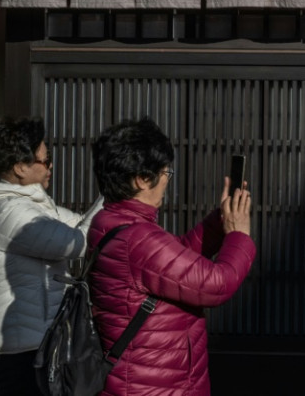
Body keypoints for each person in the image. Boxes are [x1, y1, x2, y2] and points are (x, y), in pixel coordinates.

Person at [88, 117, 256, 395]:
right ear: (142, 179)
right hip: (157, 386)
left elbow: (174, 265)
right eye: (166, 173)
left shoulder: (110, 222)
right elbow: (216, 283)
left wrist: (219, 221)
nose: (167, 181)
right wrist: (240, 235)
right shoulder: (138, 239)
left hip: (143, 380)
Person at [0, 116, 103, 396]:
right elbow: (77, 243)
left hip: (32, 344)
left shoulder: (33, 206)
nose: (51, 166)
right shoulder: (11, 213)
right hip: (13, 354)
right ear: (20, 167)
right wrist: (111, 195)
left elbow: (81, 226)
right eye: (45, 160)